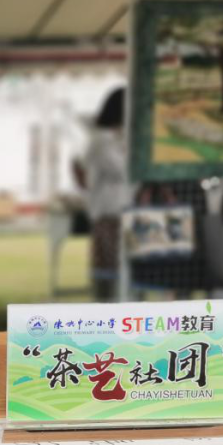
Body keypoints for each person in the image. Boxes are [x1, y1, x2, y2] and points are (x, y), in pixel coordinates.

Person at [73, 86, 128, 300]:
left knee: (115, 274)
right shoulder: (102, 141)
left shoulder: (109, 139)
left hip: (115, 214)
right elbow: (123, 171)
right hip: (109, 215)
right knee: (109, 276)